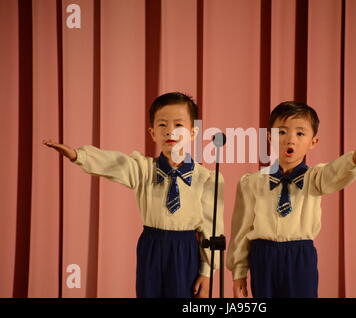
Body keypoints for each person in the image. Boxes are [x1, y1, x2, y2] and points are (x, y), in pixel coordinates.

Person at [43, 92, 224, 298]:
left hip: (185, 250)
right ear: (152, 132)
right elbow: (114, 163)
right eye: (162, 125)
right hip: (151, 246)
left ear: (193, 132)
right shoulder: (143, 169)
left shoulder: (207, 179)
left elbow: (212, 227)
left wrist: (207, 272)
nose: (170, 132)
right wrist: (78, 155)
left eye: (178, 125)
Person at [226, 101, 356, 298]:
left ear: (313, 142)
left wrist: (355, 159)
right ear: (269, 137)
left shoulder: (315, 178)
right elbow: (241, 229)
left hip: (299, 257)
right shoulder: (252, 182)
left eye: (300, 133)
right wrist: (239, 273)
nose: (290, 139)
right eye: (281, 132)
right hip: (263, 257)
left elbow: (334, 174)